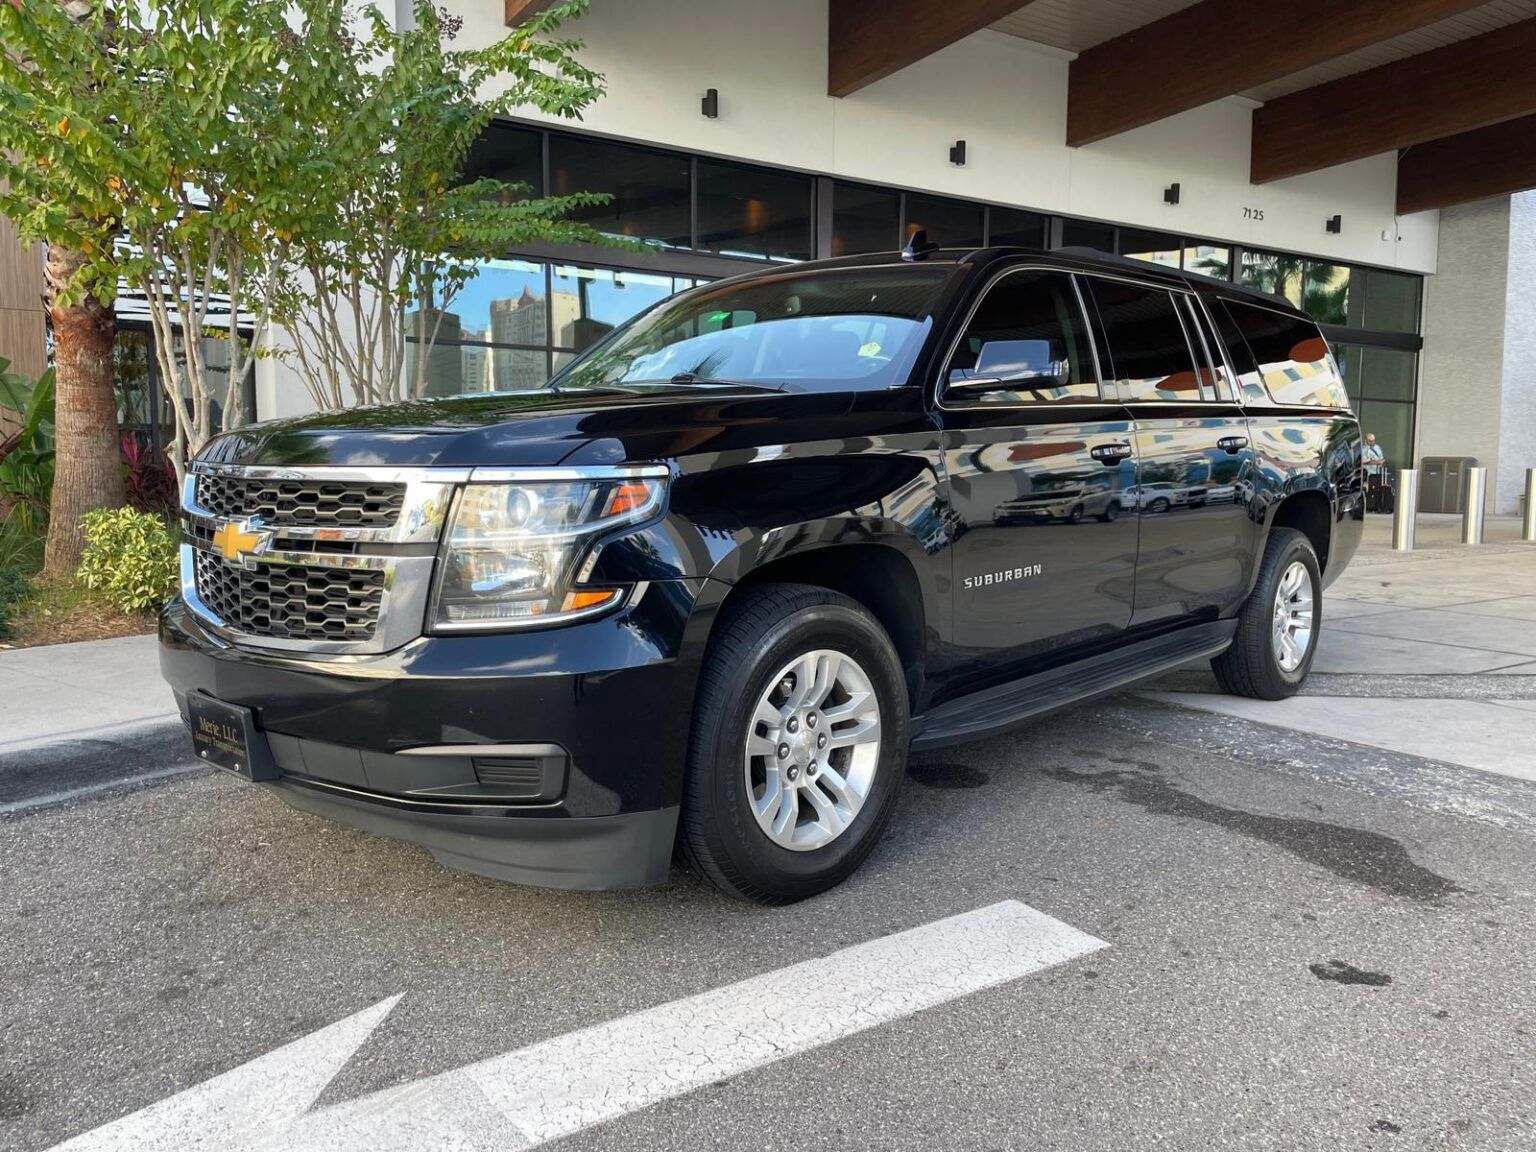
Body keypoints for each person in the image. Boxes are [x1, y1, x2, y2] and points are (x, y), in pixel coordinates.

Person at [1362, 433, 1388, 512]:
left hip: (1378, 472)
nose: (1372, 443)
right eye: (1370, 441)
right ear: (1366, 440)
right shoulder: (1363, 449)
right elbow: (1362, 461)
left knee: (1378, 490)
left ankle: (1377, 506)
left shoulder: (1377, 448)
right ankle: (1369, 506)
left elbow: (1381, 458)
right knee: (1370, 490)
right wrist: (1371, 460)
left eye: (1373, 441)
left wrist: (1381, 461)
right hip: (1368, 473)